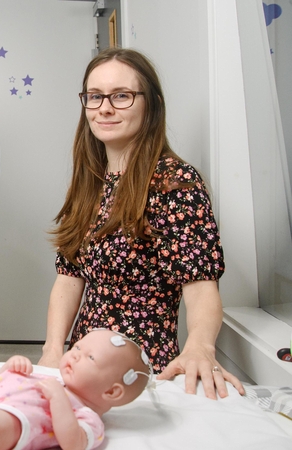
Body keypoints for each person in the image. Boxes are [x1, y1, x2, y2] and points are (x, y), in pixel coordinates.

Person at [36, 47, 245, 400]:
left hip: (139, 373)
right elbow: (69, 277)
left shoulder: (174, 182)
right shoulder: (91, 179)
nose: (104, 107)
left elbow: (200, 287)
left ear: (151, 104)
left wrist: (200, 346)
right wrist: (53, 349)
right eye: (95, 96)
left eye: (121, 96)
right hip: (83, 362)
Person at [0, 329, 151, 450]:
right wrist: (12, 367)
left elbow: (73, 443)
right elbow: (12, 383)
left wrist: (58, 399)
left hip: (12, 423)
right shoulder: (54, 379)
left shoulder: (88, 416)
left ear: (111, 392)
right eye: (76, 347)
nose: (74, 355)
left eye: (89, 357)